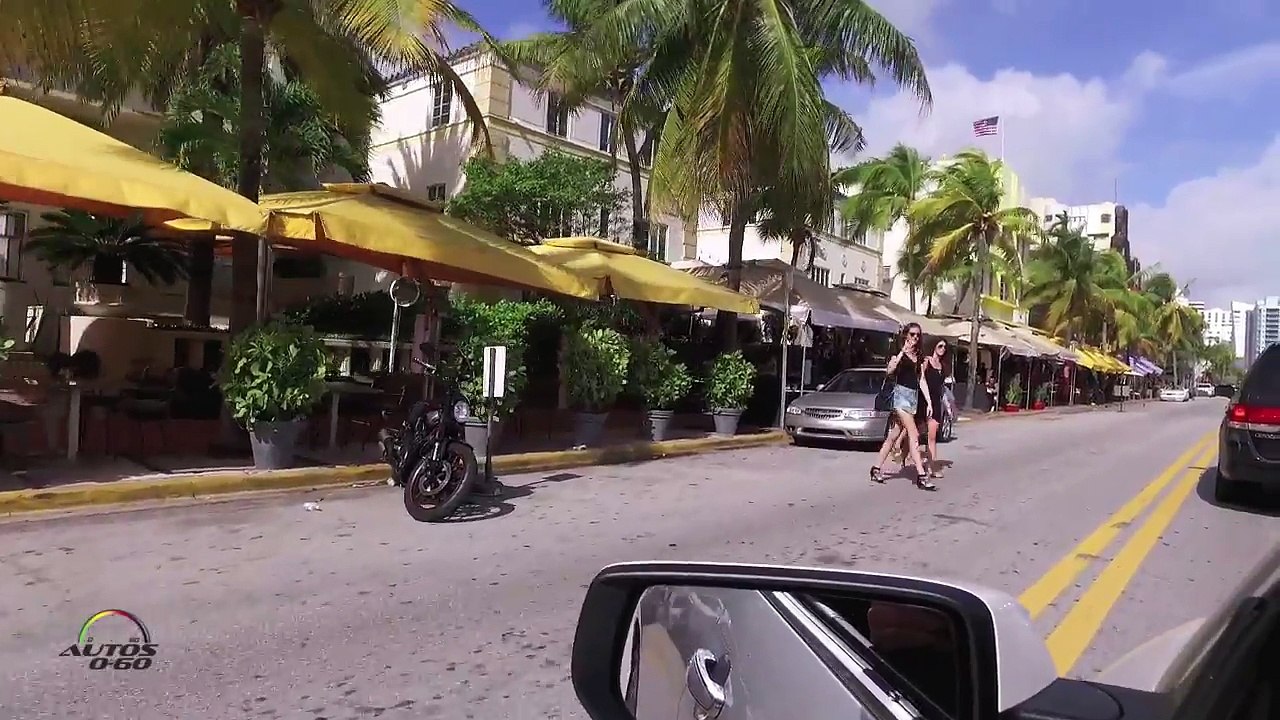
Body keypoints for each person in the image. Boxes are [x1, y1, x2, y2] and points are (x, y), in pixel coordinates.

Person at [870, 323, 936, 490]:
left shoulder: (919, 356)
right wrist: (902, 353)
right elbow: (889, 371)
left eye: (918, 335)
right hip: (899, 398)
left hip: (912, 398)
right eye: (912, 334)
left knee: (893, 436)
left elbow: (921, 380)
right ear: (905, 335)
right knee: (913, 434)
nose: (915, 338)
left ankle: (876, 468)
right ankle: (921, 476)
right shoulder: (898, 354)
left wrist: (928, 401)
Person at [920, 339, 948, 479]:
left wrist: (947, 405)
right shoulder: (927, 361)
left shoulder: (942, 366)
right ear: (934, 346)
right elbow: (921, 379)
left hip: (936, 403)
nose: (942, 349)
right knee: (916, 434)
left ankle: (930, 466)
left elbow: (941, 388)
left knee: (932, 436)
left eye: (944, 347)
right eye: (940, 346)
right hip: (925, 401)